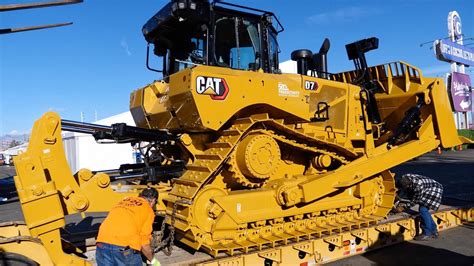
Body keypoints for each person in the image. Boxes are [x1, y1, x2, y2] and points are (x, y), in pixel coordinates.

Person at [96, 187, 161, 265]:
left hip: (102, 243)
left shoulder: (124, 200)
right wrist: (153, 260)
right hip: (124, 247)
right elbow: (144, 243)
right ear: (153, 201)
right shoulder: (148, 210)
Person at [395, 173, 443, 241]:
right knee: (424, 211)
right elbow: (406, 192)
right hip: (427, 187)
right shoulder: (405, 177)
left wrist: (403, 207)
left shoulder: (418, 186)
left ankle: (426, 234)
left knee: (423, 210)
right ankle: (434, 231)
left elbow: (415, 201)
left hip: (434, 190)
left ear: (408, 185)